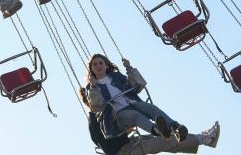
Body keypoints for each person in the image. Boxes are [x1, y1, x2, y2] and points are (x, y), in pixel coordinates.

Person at [83, 54, 220, 148]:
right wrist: (94, 86)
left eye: (101, 63)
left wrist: (129, 69)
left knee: (150, 108)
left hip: (132, 102)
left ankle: (175, 127)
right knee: (136, 116)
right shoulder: (92, 87)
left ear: (106, 65)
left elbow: (135, 85)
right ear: (91, 69)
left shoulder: (115, 76)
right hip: (117, 115)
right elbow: (97, 106)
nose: (98, 66)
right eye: (95, 64)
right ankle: (156, 130)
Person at [86, 111, 221, 155]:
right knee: (165, 141)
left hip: (128, 144)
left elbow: (105, 141)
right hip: (126, 151)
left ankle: (205, 139)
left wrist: (124, 133)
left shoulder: (100, 117)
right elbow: (106, 143)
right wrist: (123, 134)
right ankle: (205, 139)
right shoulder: (95, 120)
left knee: (166, 142)